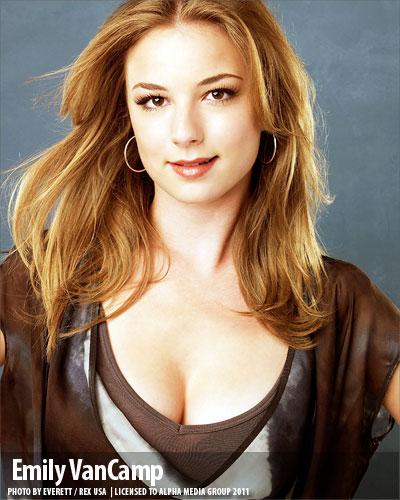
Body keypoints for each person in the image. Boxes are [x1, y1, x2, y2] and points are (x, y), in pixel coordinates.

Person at [0, 0, 399, 499]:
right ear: (128, 116)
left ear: (268, 105)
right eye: (154, 100)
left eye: (217, 93)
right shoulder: (42, 281)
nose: (185, 132)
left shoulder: (342, 306)